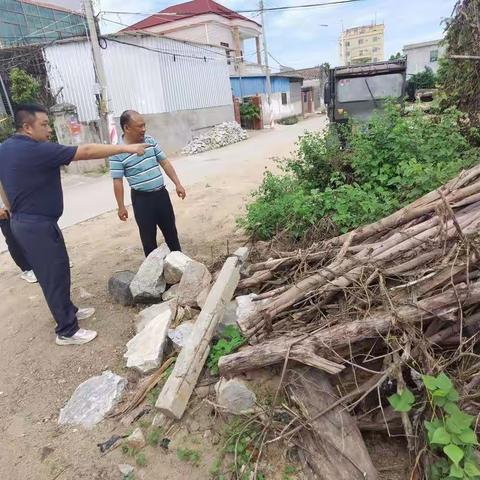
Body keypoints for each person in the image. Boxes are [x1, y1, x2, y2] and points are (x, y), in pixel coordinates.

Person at [0, 104, 147, 346]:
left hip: (32, 222)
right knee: (52, 275)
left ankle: (68, 310)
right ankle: (66, 330)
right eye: (44, 125)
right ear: (27, 127)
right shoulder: (38, 150)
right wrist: (126, 147)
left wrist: (10, 207)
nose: (49, 130)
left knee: (58, 269)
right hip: (35, 226)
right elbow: (86, 151)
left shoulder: (6, 148)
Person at [109, 110, 186, 256]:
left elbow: (164, 162)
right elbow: (117, 181)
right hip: (142, 200)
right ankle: (154, 273)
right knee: (148, 239)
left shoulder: (149, 140)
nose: (143, 129)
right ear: (127, 128)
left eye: (144, 125)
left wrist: (177, 184)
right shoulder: (117, 152)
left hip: (161, 195)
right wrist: (121, 207)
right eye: (139, 126)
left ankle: (179, 263)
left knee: (171, 232)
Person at [0, 196, 37, 283]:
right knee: (13, 239)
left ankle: (43, 261)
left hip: (19, 202)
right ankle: (27, 269)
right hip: (4, 211)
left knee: (33, 232)